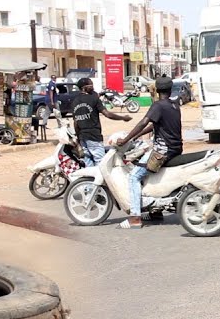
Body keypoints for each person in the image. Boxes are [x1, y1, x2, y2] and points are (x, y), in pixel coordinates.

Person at [112, 76, 183, 230]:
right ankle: (155, 212)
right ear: (170, 90)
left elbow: (144, 122)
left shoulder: (158, 106)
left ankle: (135, 217)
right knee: (142, 168)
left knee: (133, 176)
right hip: (175, 149)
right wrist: (135, 136)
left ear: (157, 90)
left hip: (161, 152)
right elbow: (155, 126)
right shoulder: (174, 105)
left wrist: (125, 140)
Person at [71, 78, 132, 167]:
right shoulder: (93, 98)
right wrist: (123, 118)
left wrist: (79, 138)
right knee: (101, 165)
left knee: (89, 166)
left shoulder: (74, 101)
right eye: (91, 85)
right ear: (84, 88)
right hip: (94, 136)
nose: (93, 87)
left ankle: (90, 180)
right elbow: (107, 114)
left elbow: (76, 122)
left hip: (82, 138)